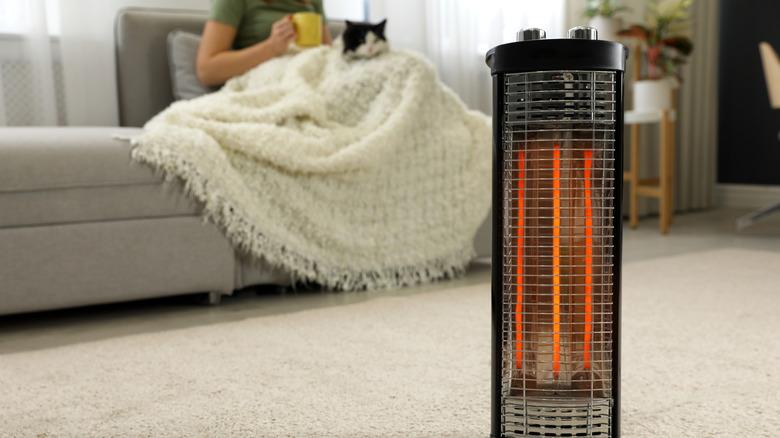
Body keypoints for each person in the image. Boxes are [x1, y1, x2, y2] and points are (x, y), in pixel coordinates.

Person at [197, 0, 332, 86]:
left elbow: (329, 54)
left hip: (313, 81)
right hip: (266, 83)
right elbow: (207, 70)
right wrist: (271, 48)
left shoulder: (313, 2)